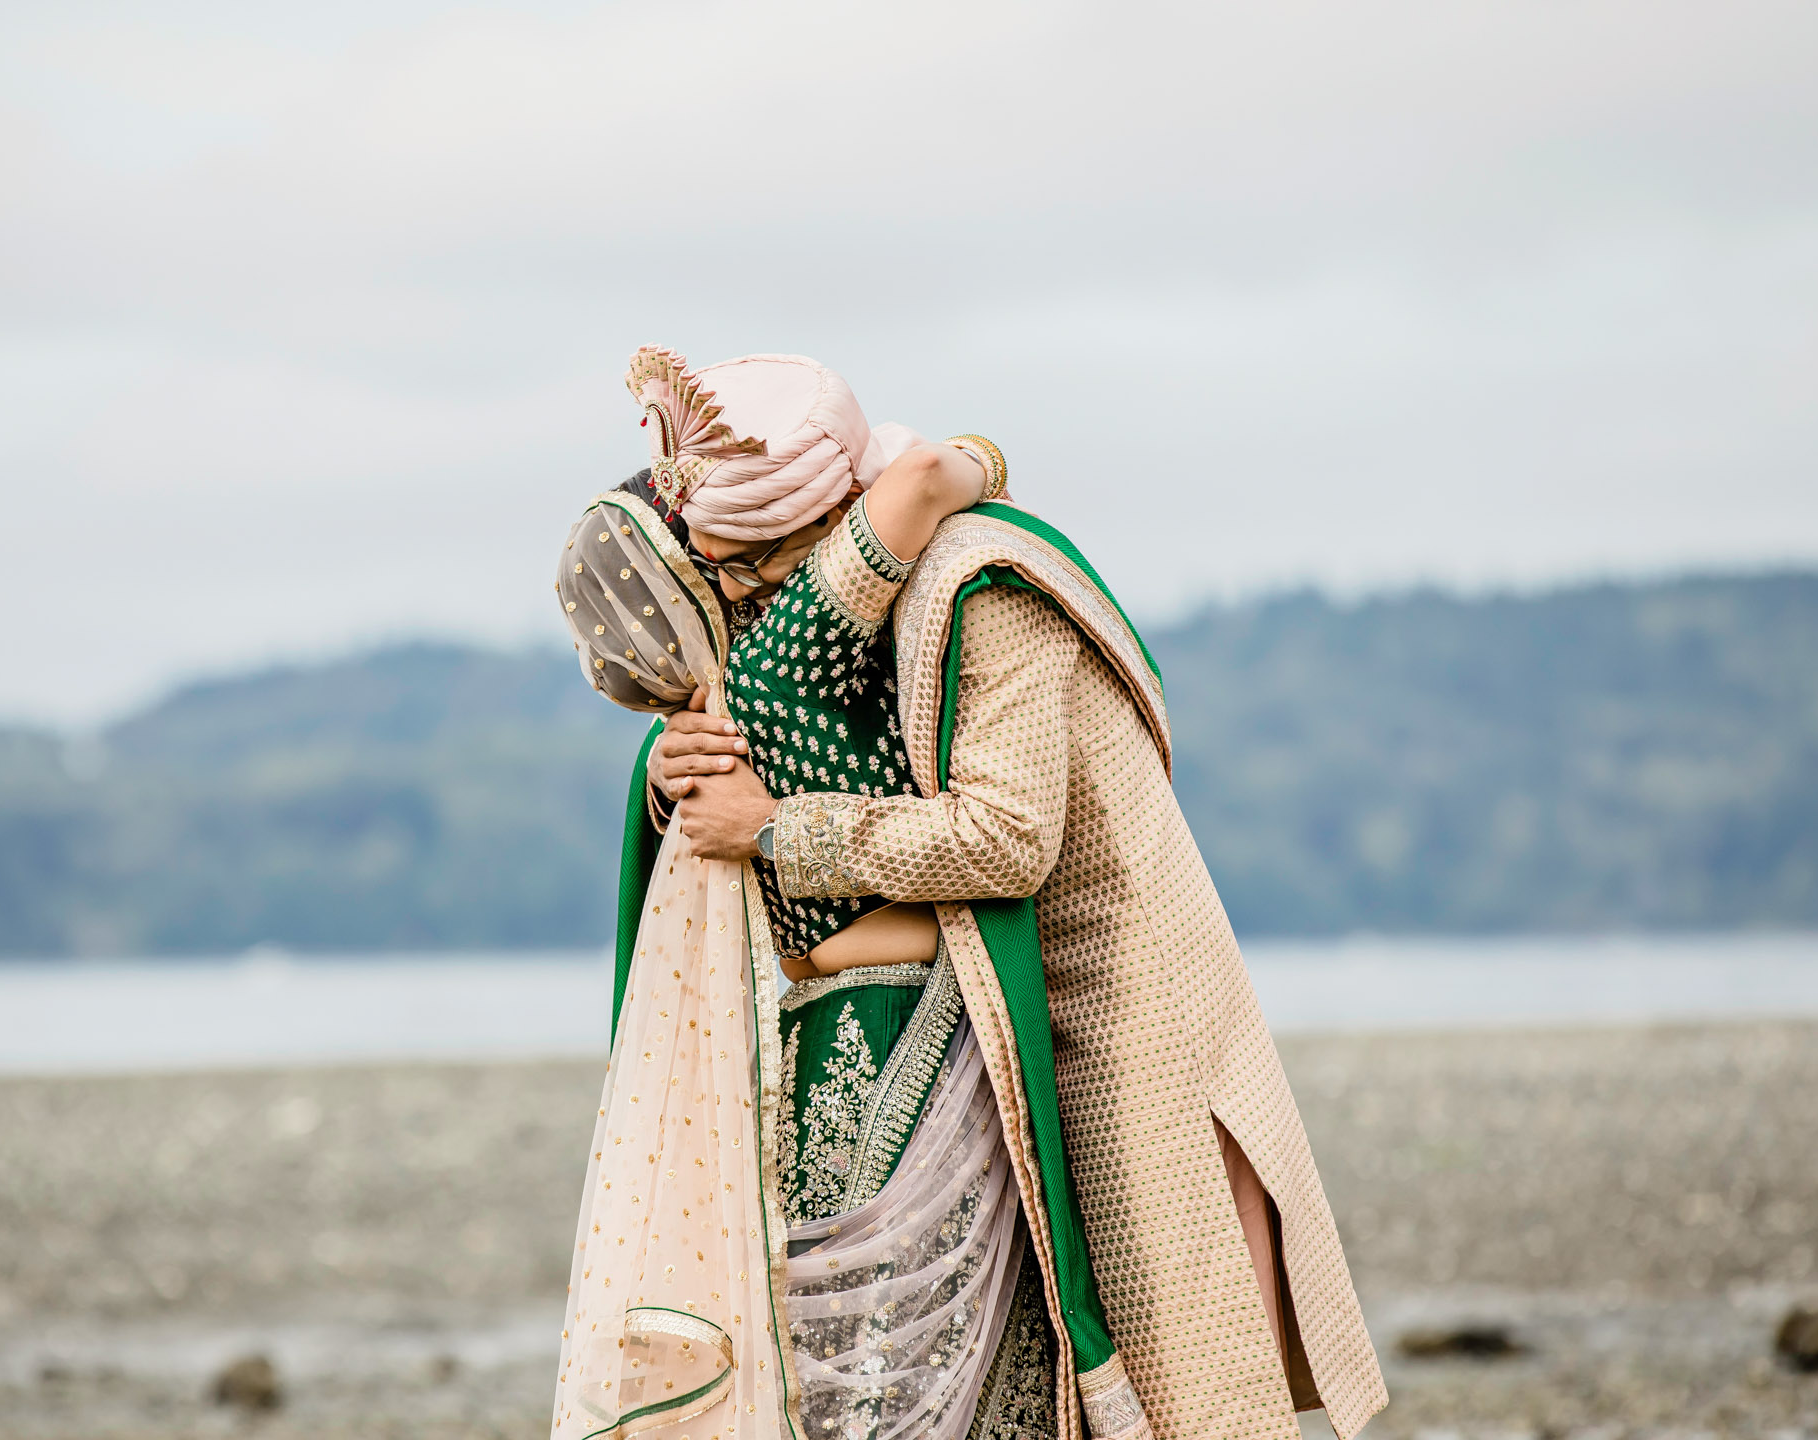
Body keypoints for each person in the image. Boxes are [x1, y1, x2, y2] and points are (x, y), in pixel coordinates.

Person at [556, 348, 1387, 1440]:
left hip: (1113, 1027)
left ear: (818, 531)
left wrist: (775, 828)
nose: (759, 604)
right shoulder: (840, 616)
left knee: (1174, 1383)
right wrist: (674, 783)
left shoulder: (976, 588)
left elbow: (1005, 838)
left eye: (761, 572)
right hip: (990, 1012)